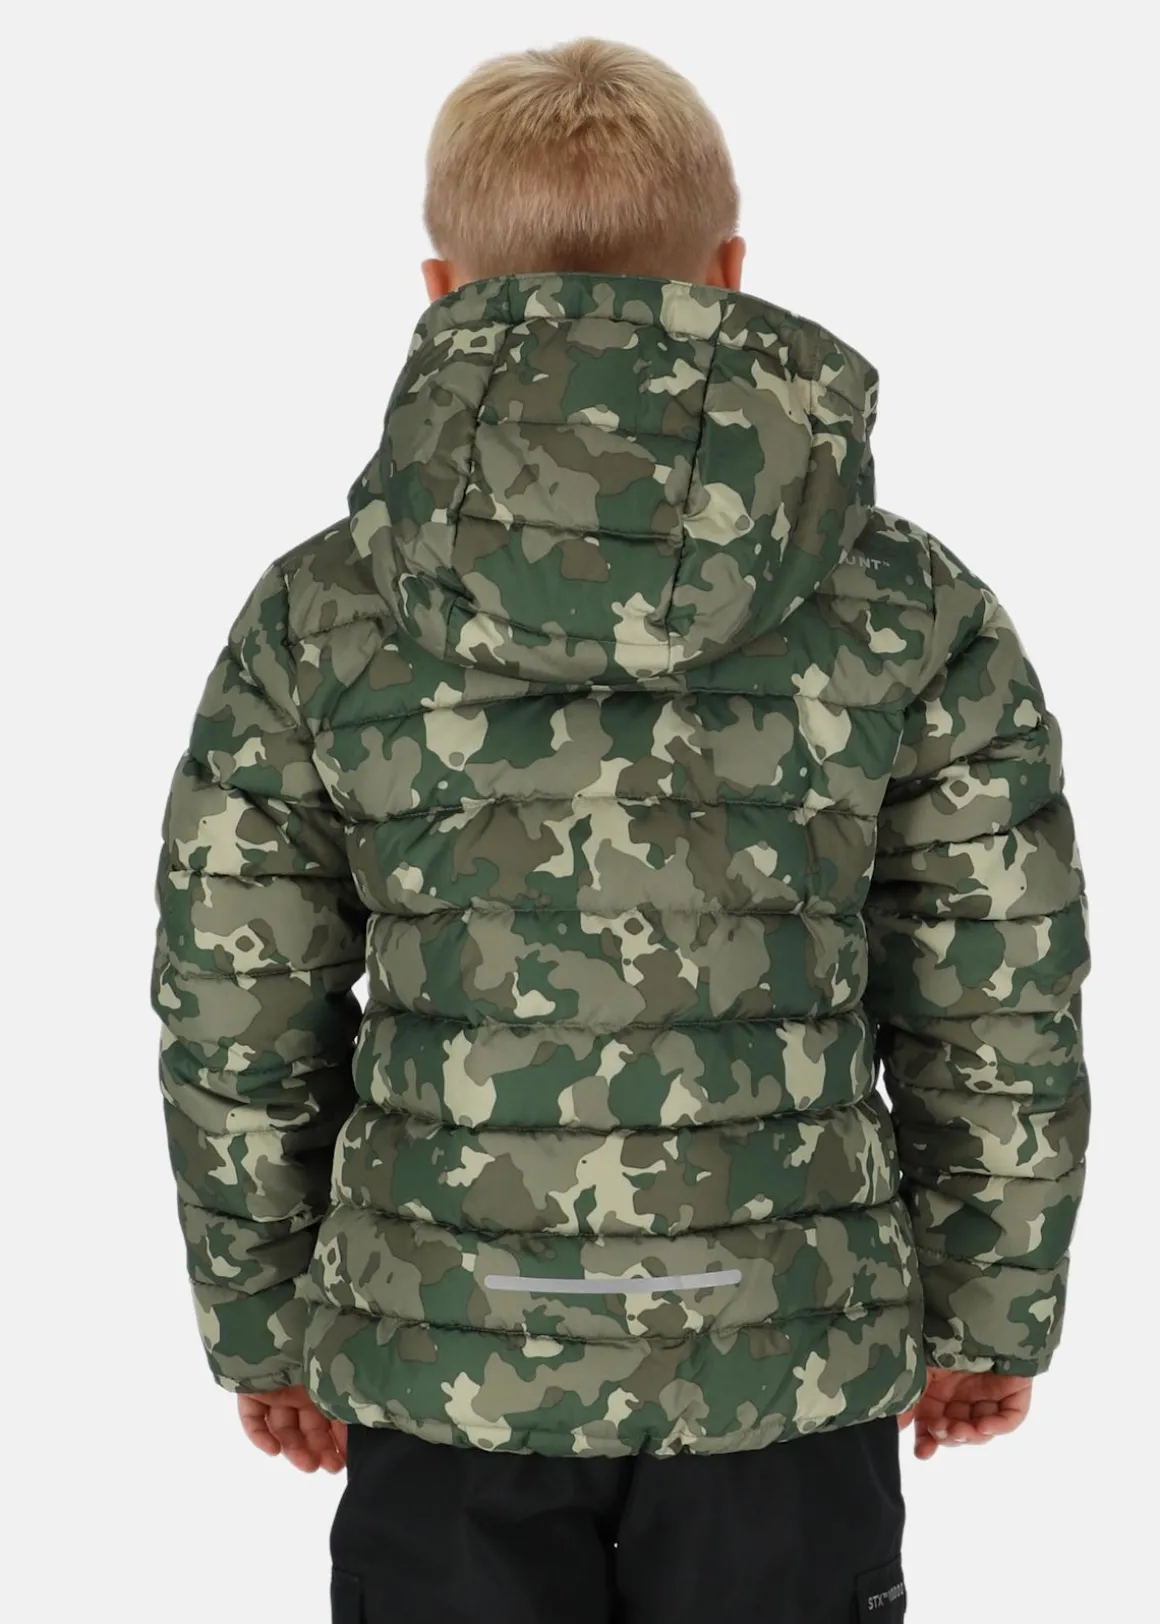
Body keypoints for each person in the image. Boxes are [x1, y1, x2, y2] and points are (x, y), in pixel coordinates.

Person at [151, 37, 1090, 1624]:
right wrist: (992, 1302)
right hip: (785, 1368)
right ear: (726, 275)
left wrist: (263, 1321)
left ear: (441, 287)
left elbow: (237, 1002)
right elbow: (994, 991)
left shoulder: (322, 612)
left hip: (442, 1360)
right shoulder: (906, 607)